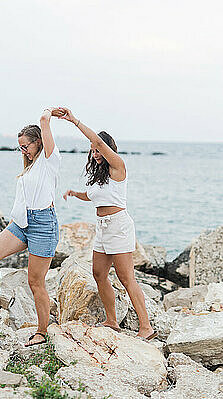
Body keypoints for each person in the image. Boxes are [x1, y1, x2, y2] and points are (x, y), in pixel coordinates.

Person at [57, 107, 157, 340]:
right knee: (99, 273)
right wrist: (74, 193)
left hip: (118, 225)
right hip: (102, 227)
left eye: (98, 148)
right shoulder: (100, 176)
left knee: (126, 277)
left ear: (107, 148)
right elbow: (93, 196)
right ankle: (112, 321)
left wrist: (74, 121)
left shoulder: (117, 167)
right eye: (92, 151)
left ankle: (146, 327)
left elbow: (98, 142)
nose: (95, 153)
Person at [0, 108, 63, 347]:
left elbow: (44, 121)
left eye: (26, 146)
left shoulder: (49, 160)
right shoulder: (29, 167)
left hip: (43, 225)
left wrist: (49, 113)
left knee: (36, 282)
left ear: (38, 143)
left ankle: (42, 331)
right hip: (21, 224)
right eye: (20, 147)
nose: (23, 151)